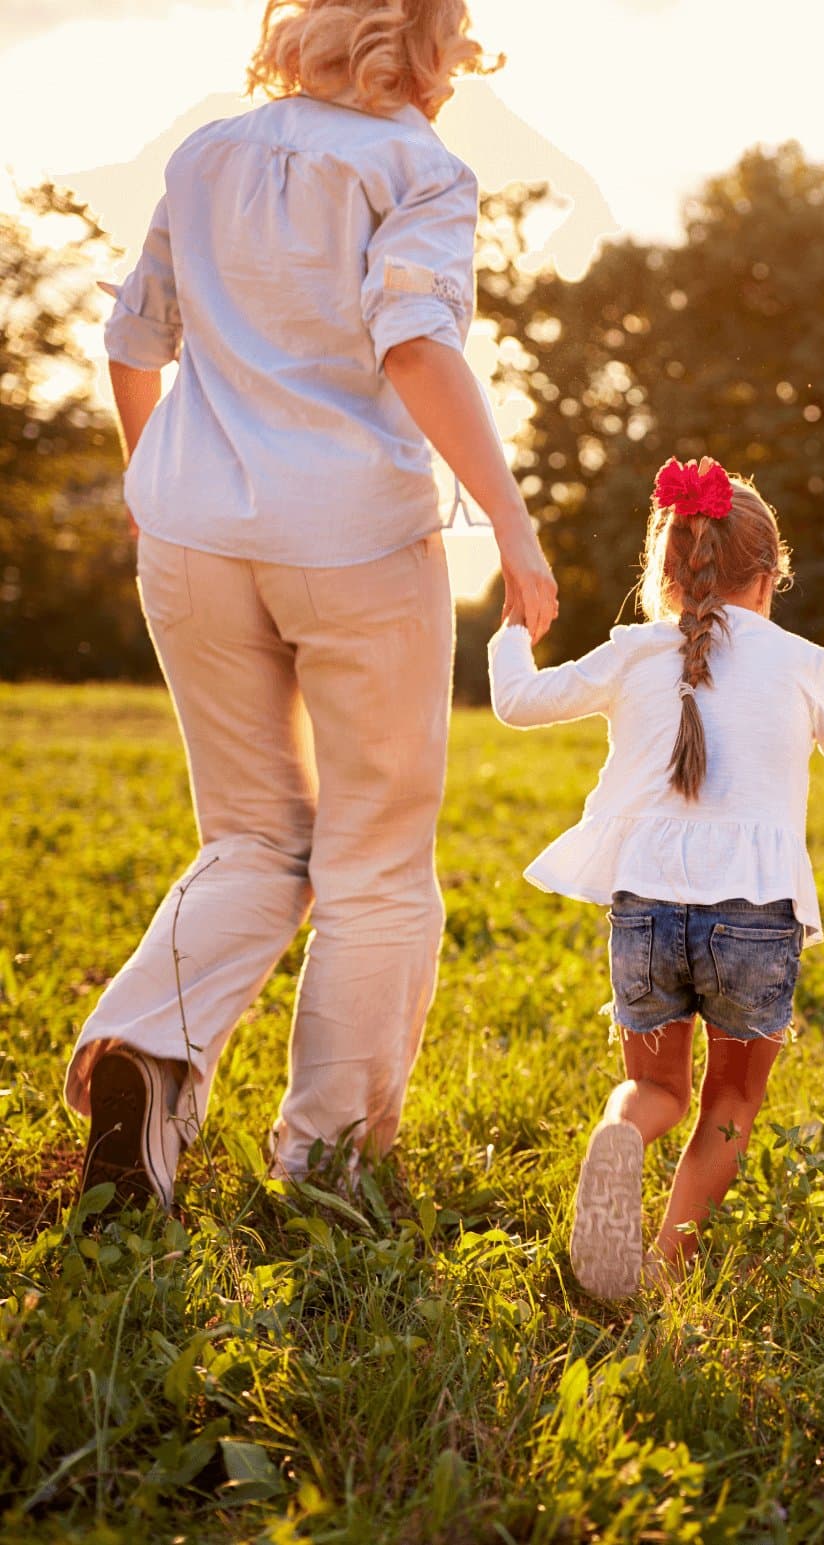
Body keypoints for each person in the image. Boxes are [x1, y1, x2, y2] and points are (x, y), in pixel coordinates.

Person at [71, 0, 559, 1212]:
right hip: (351, 542)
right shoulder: (422, 169)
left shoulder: (205, 153)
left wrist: (153, 478)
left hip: (191, 534)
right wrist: (512, 522)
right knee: (374, 857)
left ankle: (147, 1049)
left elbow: (134, 338)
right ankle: (328, 1160)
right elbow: (413, 345)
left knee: (250, 838)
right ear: (436, 46)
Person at [490, 458, 824, 1301]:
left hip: (646, 906)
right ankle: (664, 1257)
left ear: (668, 572)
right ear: (767, 579)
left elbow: (518, 702)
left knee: (656, 1086)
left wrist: (514, 625)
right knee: (730, 1100)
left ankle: (621, 1133)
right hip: (754, 918)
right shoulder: (803, 661)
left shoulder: (631, 651)